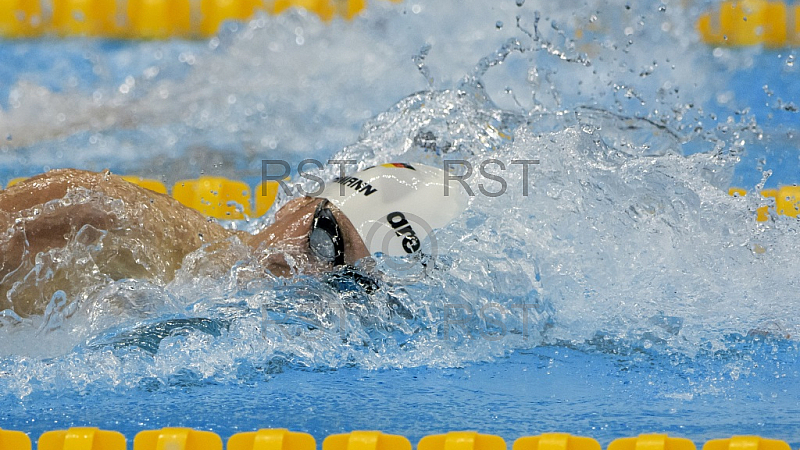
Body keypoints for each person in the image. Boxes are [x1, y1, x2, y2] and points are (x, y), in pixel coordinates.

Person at [0, 163, 466, 316]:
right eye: (324, 239)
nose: (306, 272)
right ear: (295, 207)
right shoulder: (108, 218)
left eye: (349, 285)